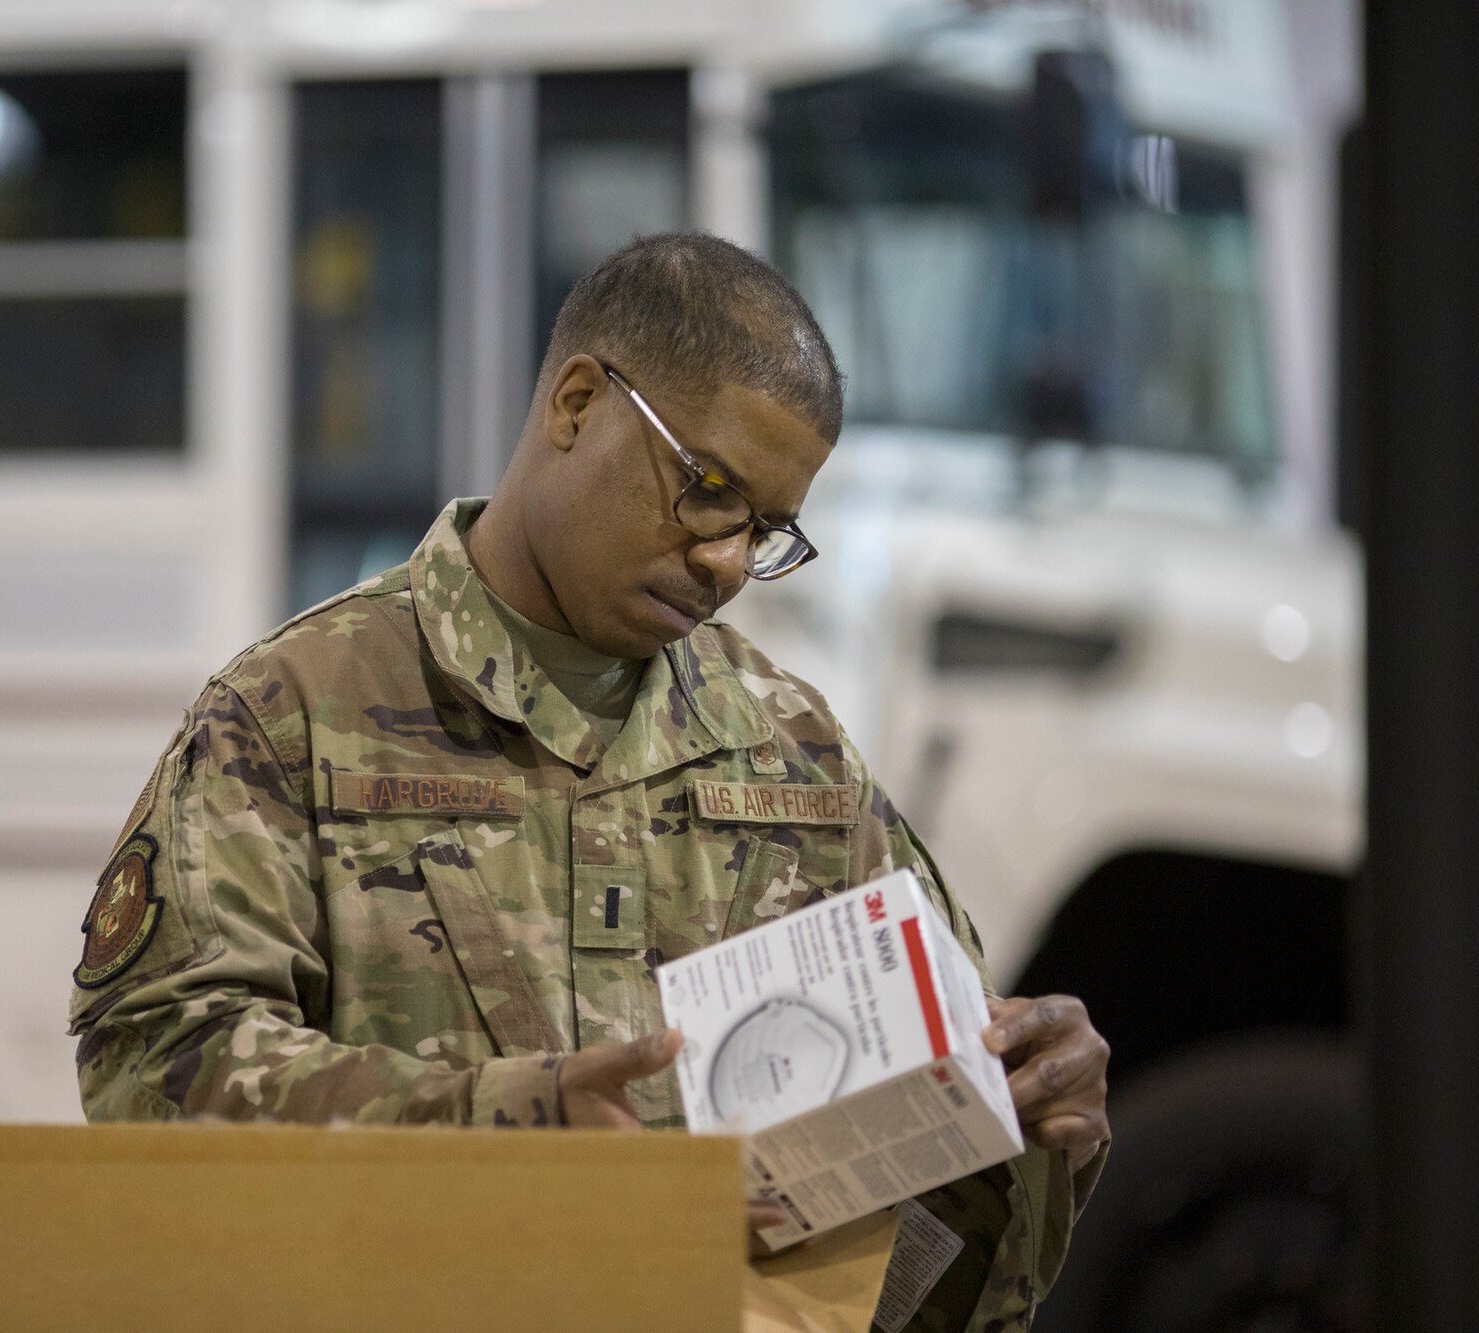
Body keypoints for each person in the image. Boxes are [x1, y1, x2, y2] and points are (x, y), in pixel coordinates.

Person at [68, 232, 1109, 1329]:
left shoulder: (789, 749)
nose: (723, 562)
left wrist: (1030, 1111)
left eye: (764, 529)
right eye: (706, 490)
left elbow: (928, 1237)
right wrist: (509, 1123)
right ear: (575, 404)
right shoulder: (292, 715)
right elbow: (153, 1068)